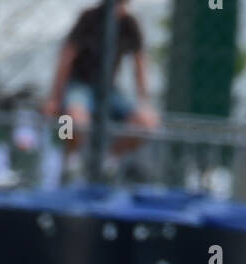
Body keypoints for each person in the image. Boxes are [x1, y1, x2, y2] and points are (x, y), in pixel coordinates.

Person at [43, 0, 159, 164]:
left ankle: (110, 160)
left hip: (109, 90)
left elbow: (139, 64)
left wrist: (144, 102)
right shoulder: (89, 18)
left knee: (147, 124)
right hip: (79, 85)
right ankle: (69, 158)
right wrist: (55, 98)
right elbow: (66, 58)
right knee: (70, 120)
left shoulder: (130, 23)